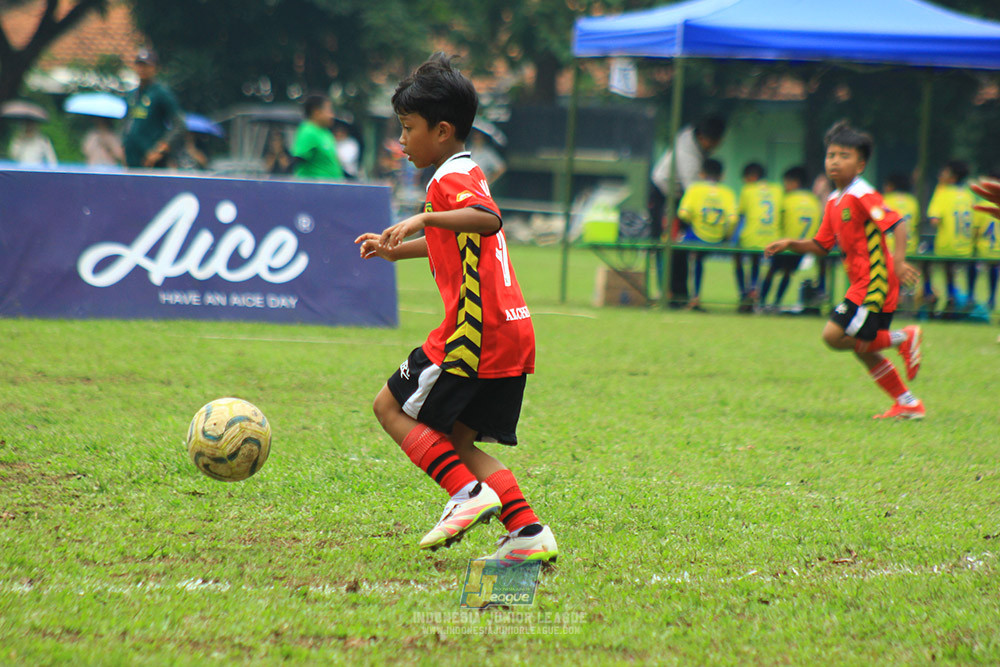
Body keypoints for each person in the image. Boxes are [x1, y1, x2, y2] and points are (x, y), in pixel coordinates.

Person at [354, 54, 557, 565]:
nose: (401, 141)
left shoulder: (449, 180)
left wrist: (419, 220)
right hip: (512, 329)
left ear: (442, 130)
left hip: (476, 331)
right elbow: (463, 236)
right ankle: (527, 530)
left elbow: (487, 221)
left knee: (387, 406)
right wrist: (400, 247)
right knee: (458, 441)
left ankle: (467, 495)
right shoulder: (466, 172)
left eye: (408, 128)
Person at [765, 121, 924, 420]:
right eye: (831, 155)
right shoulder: (835, 199)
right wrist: (790, 244)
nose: (835, 161)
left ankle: (905, 337)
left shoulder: (861, 194)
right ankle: (908, 403)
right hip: (861, 283)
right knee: (861, 348)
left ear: (861, 164)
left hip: (874, 282)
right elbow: (821, 243)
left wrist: (900, 262)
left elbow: (897, 223)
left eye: (844, 156)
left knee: (833, 336)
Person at [649, 114, 726, 306]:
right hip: (665, 196)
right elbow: (694, 190)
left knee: (681, 247)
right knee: (667, 245)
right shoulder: (687, 154)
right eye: (714, 141)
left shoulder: (693, 139)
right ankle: (667, 294)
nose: (716, 146)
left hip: (681, 197)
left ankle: (681, 294)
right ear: (703, 137)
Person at [676, 158, 738, 310]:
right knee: (699, 257)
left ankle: (684, 296)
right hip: (718, 238)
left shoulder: (694, 189)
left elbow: (683, 214)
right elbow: (733, 219)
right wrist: (727, 235)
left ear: (702, 174)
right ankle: (746, 296)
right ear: (722, 176)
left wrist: (694, 221)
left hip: (696, 236)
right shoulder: (728, 193)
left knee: (677, 249)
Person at [758, 166, 822, 310]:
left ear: (794, 183)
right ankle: (777, 302)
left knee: (772, 270)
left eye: (786, 182)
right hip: (803, 245)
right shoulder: (814, 201)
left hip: (785, 243)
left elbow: (778, 220)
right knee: (788, 272)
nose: (784, 186)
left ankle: (761, 303)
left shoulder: (787, 199)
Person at [925, 160, 975, 315]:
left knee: (926, 258)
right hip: (966, 248)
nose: (941, 174)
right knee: (952, 266)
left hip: (947, 247)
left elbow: (934, 220)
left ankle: (930, 293)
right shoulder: (969, 195)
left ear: (952, 177)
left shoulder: (942, 192)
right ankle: (958, 297)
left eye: (944, 172)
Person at [122, 48, 185, 168]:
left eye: (146, 65)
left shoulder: (160, 93)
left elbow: (179, 124)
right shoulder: (132, 95)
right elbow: (127, 123)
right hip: (132, 160)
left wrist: (159, 150)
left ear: (155, 68)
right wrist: (123, 146)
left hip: (152, 162)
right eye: (139, 65)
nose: (142, 69)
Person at [734, 162, 782, 311]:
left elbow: (741, 216)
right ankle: (758, 294)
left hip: (752, 238)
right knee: (764, 261)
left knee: (737, 255)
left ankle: (745, 293)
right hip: (774, 238)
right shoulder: (778, 189)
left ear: (752, 177)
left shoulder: (748, 189)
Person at [881, 172, 921, 314]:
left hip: (890, 248)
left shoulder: (885, 200)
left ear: (890, 186)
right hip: (909, 248)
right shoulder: (912, 202)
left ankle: (893, 301)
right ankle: (904, 300)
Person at [291, 94, 343, 180]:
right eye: (329, 111)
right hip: (314, 189)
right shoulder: (308, 131)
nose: (332, 115)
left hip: (330, 188)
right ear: (316, 112)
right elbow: (298, 159)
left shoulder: (325, 132)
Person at [970, 168, 1000, 312]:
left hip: (984, 249)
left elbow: (975, 229)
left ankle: (971, 297)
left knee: (974, 267)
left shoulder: (983, 205)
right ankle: (991, 299)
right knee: (993, 270)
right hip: (995, 251)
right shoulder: (984, 205)